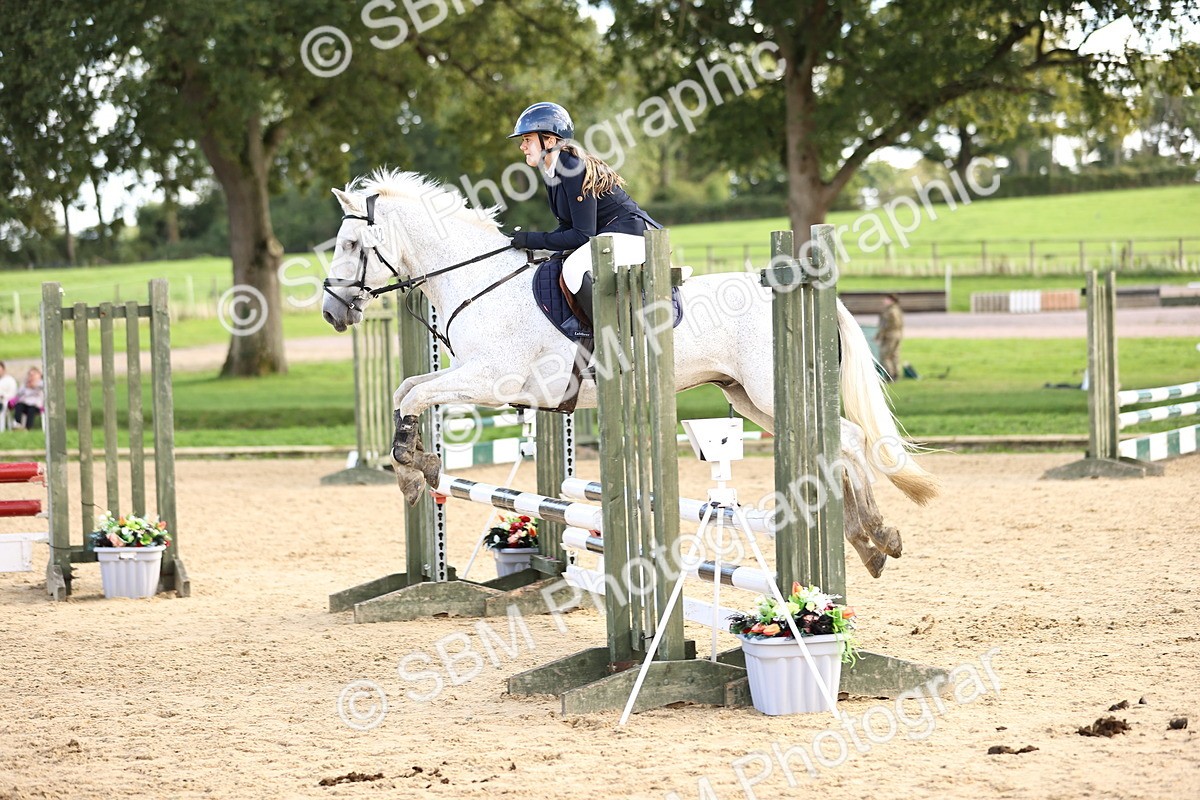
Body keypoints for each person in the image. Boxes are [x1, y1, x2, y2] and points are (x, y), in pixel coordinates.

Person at [506, 102, 659, 336]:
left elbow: (582, 235)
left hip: (633, 234)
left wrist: (532, 239)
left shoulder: (572, 167)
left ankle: (614, 342)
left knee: (574, 269)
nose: (522, 146)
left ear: (548, 140)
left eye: (527, 139)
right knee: (554, 261)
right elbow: (567, 226)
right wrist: (530, 243)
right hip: (611, 235)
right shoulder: (553, 170)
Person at [875, 294, 904, 382]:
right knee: (894, 355)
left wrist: (879, 336)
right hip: (897, 335)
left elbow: (885, 325)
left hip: (889, 336)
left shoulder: (890, 312)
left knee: (885, 356)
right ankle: (896, 374)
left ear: (892, 300)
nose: (884, 301)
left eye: (887, 299)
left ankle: (889, 375)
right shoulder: (897, 310)